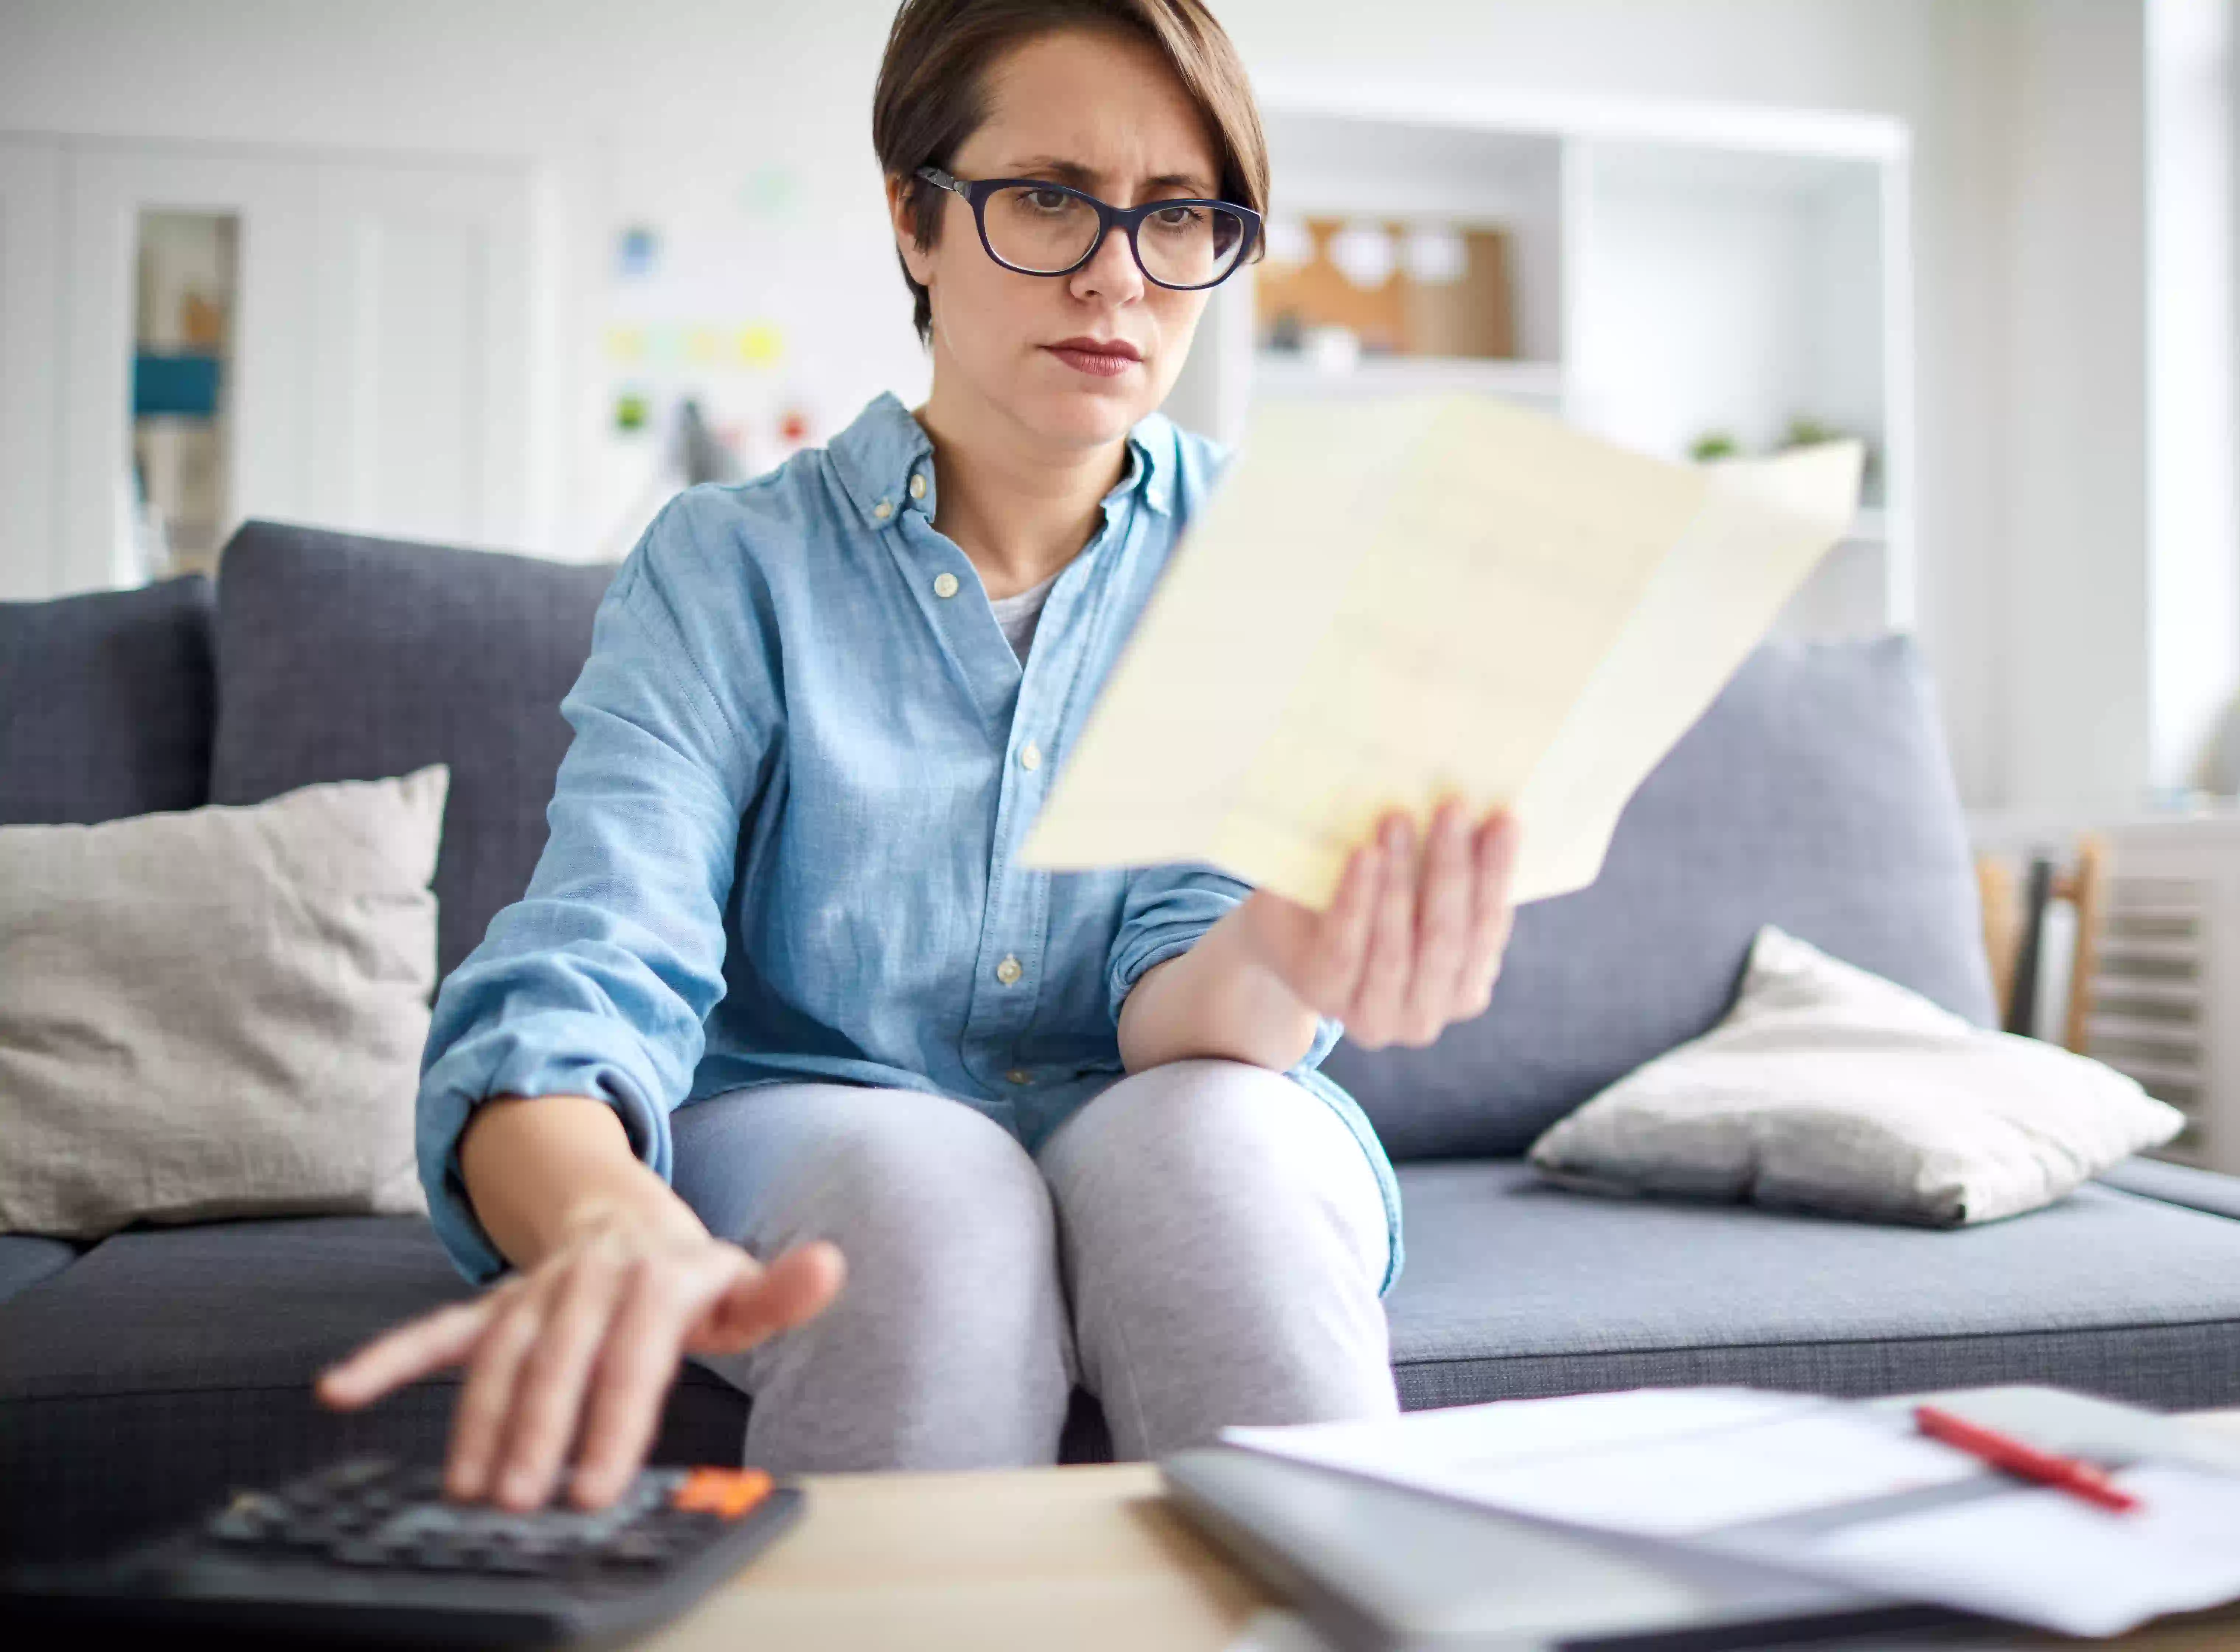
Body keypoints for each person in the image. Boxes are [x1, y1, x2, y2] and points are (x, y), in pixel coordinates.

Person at [317, 0, 1520, 1514]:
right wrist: (603, 1207)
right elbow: (598, 955)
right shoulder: (729, 565)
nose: (1114, 276)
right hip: (819, 1120)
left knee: (1217, 1163)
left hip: (1178, 1092)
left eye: (1181, 219)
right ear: (914, 218)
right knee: (933, 1196)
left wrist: (1299, 931)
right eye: (1046, 198)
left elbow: (1183, 1012)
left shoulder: (1270, 559)